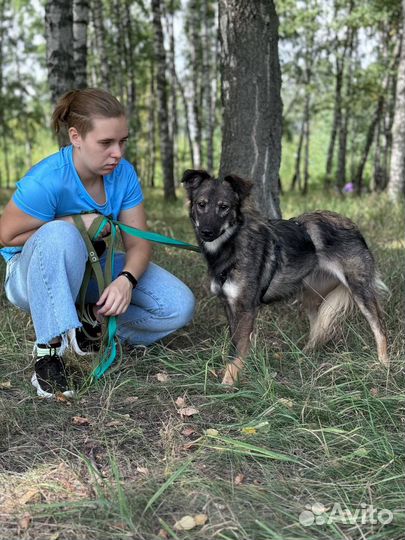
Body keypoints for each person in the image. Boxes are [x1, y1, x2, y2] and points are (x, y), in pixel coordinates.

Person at [0, 88, 195, 399]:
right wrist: (75, 223)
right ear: (76, 137)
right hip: (29, 276)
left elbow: (139, 243)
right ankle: (49, 354)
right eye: (105, 143)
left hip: (92, 267)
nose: (117, 153)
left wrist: (126, 281)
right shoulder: (47, 179)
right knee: (61, 235)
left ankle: (90, 323)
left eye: (122, 142)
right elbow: (6, 236)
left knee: (178, 305)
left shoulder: (124, 175)